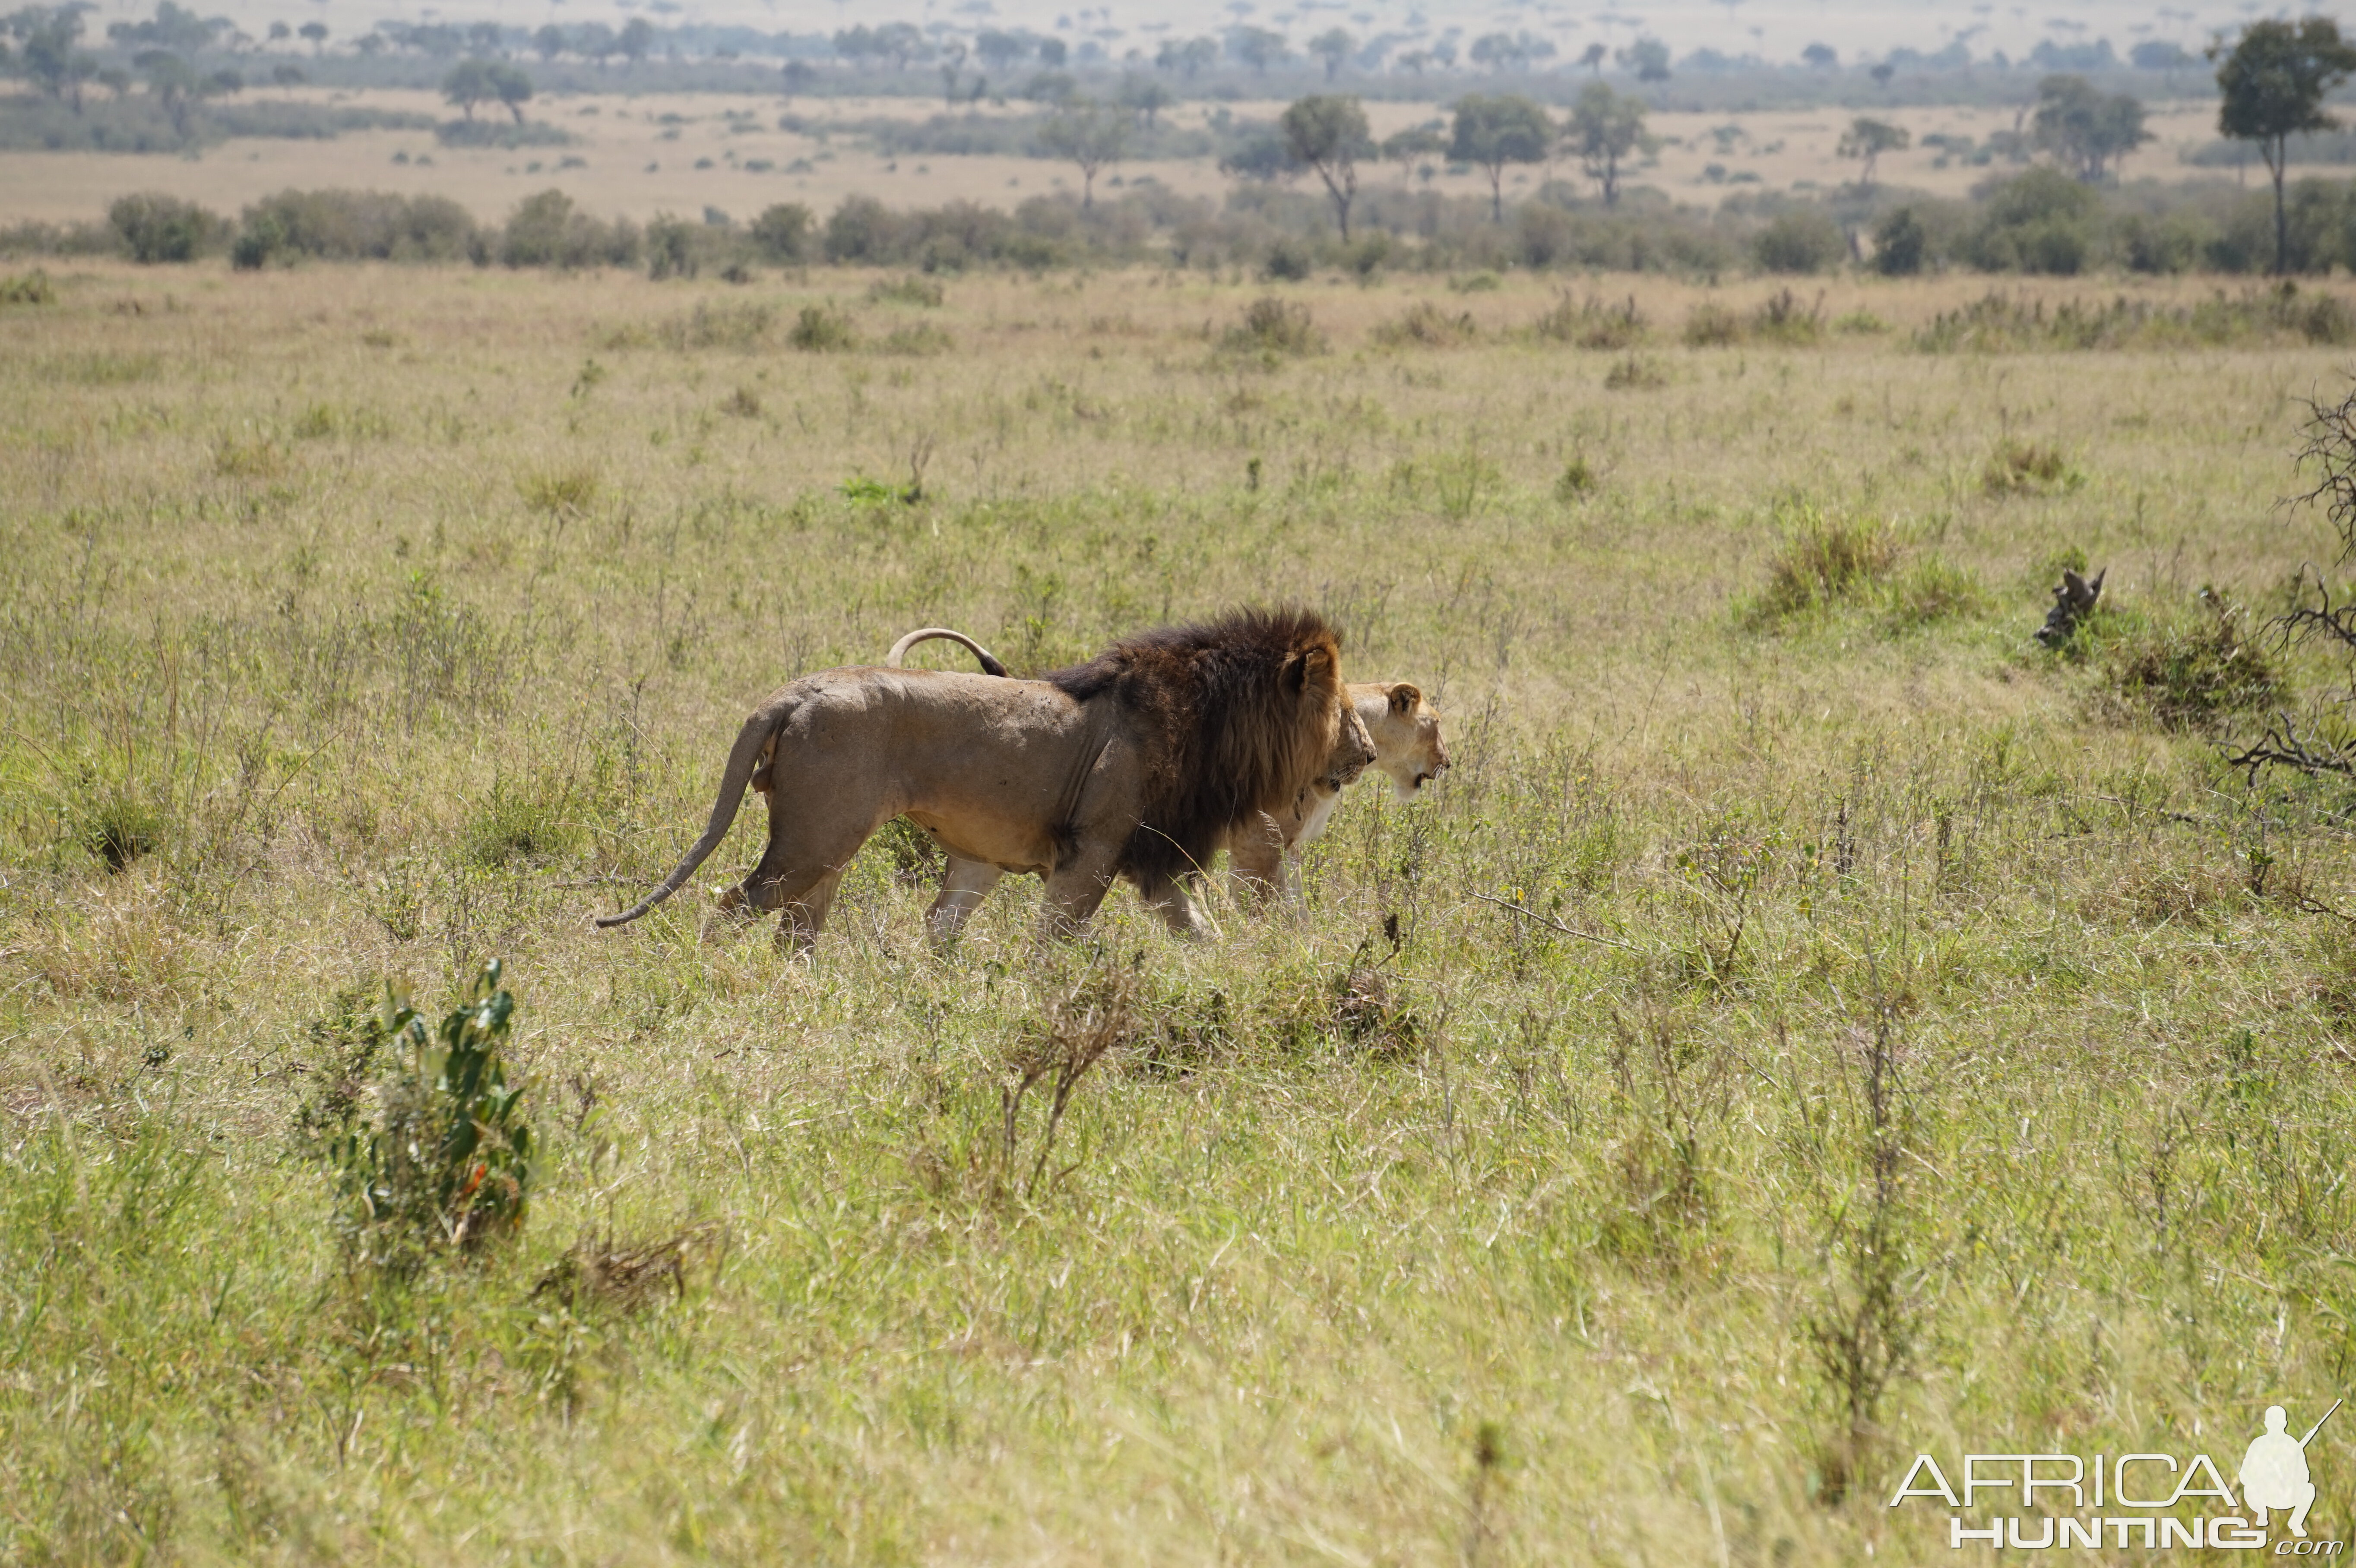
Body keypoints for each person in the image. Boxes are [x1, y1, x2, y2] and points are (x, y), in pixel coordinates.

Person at [2240, 1405, 2317, 1538]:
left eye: (2279, 1422)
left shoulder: (2293, 1445)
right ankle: (2262, 1513)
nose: (2276, 1425)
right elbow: (2244, 1474)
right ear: (2266, 1424)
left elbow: (2305, 1476)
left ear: (2285, 1424)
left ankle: (2296, 1522)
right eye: (2272, 1421)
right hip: (2263, 1496)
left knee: (2309, 1489)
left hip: (2287, 1495)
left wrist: (2289, 1475)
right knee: (2249, 1489)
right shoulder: (2258, 1444)